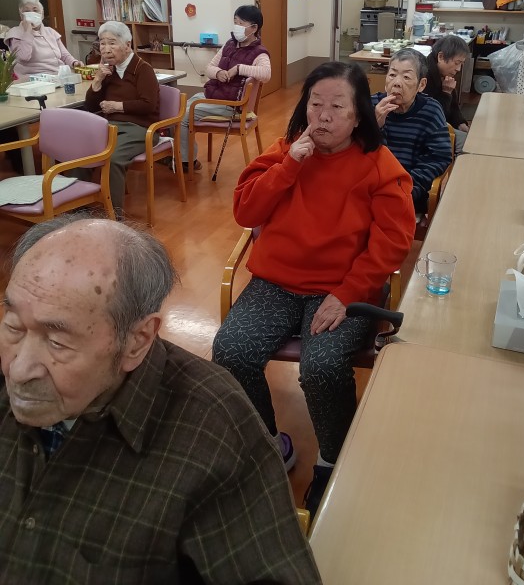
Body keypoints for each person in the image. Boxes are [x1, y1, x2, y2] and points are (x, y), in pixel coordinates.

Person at [0, 214, 322, 585]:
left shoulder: (212, 427)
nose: (18, 370)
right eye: (13, 325)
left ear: (136, 340)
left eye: (58, 342)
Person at [213, 62, 415, 518]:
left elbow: (393, 242)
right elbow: (246, 211)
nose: (323, 116)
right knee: (230, 349)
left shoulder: (379, 166)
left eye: (337, 107)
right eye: (315, 104)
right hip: (276, 282)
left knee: (322, 365)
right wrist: (290, 165)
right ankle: (267, 443)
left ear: (359, 115)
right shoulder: (286, 150)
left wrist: (347, 293)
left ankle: (332, 458)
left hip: (342, 288)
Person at [180, 5, 270, 172]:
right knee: (177, 109)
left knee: (183, 116)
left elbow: (266, 74)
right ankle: (176, 155)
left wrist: (239, 69)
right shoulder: (229, 44)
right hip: (216, 95)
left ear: (254, 28)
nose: (236, 26)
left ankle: (186, 162)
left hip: (232, 105)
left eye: (241, 23)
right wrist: (218, 73)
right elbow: (209, 68)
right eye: (235, 22)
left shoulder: (259, 53)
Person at [84, 20, 159, 216]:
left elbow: (148, 105)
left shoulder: (143, 69)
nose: (106, 49)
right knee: (80, 150)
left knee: (114, 158)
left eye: (112, 43)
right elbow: (90, 107)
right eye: (102, 43)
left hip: (139, 128)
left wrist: (118, 106)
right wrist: (97, 81)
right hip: (109, 126)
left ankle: (113, 216)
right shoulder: (107, 70)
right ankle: (76, 211)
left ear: (127, 45)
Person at [371, 48, 452, 216]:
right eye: (392, 75)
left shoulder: (431, 110)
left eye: (406, 77)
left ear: (421, 85)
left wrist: (404, 188)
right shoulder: (371, 106)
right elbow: (357, 154)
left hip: (408, 195)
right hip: (369, 190)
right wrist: (375, 127)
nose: (396, 83)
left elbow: (439, 158)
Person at [5, 0, 78, 78]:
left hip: (57, 75)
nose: (32, 13)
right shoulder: (15, 33)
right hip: (32, 79)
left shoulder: (50, 31)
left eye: (35, 10)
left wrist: (74, 62)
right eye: (27, 11)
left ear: (42, 14)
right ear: (21, 16)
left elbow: (64, 55)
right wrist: (27, 32)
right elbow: (23, 57)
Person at [424, 35, 471, 153]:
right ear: (440, 57)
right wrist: (446, 93)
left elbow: (453, 106)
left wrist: (460, 122)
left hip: (443, 124)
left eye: (461, 64)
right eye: (457, 63)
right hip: (427, 129)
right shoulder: (425, 76)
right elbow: (434, 117)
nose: (458, 69)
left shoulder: (444, 74)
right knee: (466, 143)